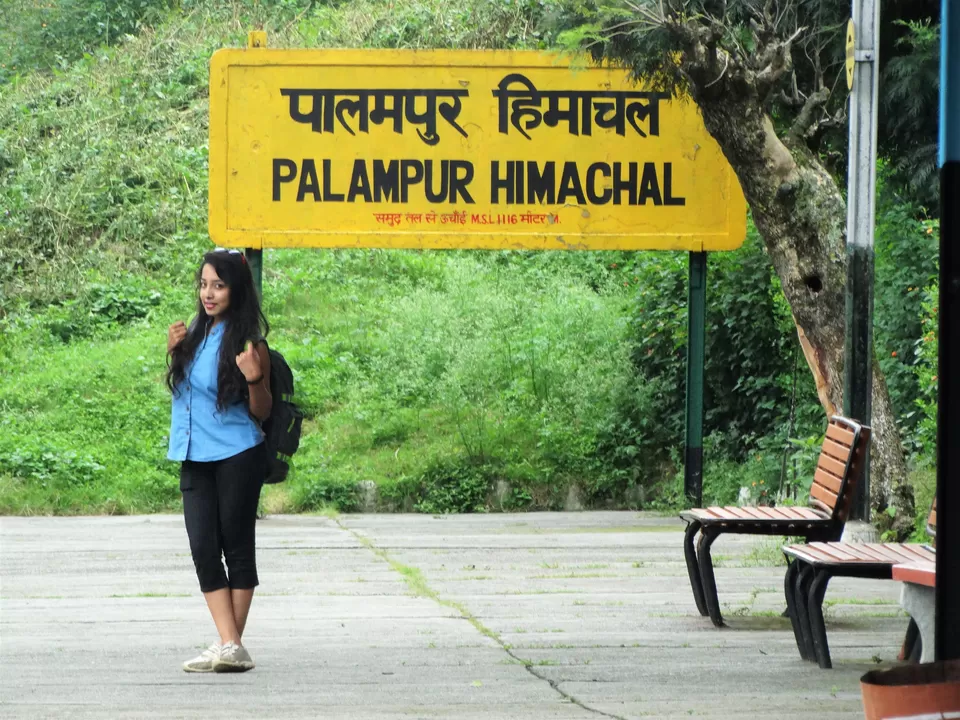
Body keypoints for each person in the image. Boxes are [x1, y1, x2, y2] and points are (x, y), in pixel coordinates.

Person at [165, 248, 272, 673]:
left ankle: (229, 645)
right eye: (204, 284)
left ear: (235, 289)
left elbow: (260, 410)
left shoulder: (249, 342)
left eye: (219, 285)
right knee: (202, 548)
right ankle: (231, 644)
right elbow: (187, 392)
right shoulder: (196, 331)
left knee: (236, 548)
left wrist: (254, 377)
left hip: (237, 454)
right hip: (193, 452)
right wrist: (176, 351)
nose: (208, 293)